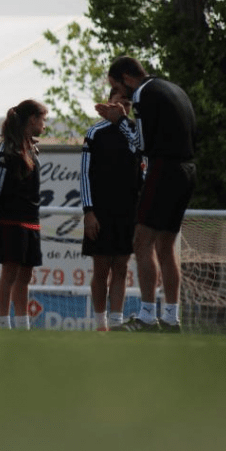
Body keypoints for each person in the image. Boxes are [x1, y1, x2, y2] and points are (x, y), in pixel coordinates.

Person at [98, 55, 197, 333]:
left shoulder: (143, 94)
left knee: (142, 241)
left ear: (127, 79)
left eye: (117, 85)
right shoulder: (172, 88)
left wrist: (120, 121)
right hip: (188, 169)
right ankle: (171, 317)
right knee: (166, 245)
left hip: (164, 169)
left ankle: (146, 316)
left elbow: (140, 144)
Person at [81, 89, 143, 331]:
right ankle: (100, 324)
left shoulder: (135, 134)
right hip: (101, 211)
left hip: (128, 212)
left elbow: (143, 172)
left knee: (121, 267)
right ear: (109, 103)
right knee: (101, 268)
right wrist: (89, 211)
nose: (123, 108)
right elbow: (85, 175)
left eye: (127, 103)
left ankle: (116, 323)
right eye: (119, 103)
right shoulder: (95, 133)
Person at [0, 99, 48, 330]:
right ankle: (3, 323)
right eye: (43, 119)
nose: (44, 124)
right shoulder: (6, 148)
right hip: (10, 219)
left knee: (26, 275)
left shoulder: (31, 147)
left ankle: (23, 324)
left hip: (31, 219)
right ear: (32, 119)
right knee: (9, 273)